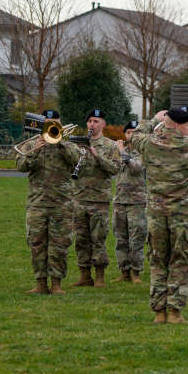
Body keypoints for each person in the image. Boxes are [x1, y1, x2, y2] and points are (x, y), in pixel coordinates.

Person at [126, 105, 188, 323]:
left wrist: (154, 120)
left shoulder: (149, 143)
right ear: (181, 125)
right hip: (181, 214)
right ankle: (175, 312)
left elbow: (135, 134)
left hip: (156, 213)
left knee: (158, 260)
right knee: (180, 261)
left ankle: (159, 312)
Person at [15, 110, 80, 294]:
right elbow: (20, 166)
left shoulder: (68, 145)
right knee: (37, 244)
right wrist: (36, 149)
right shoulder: (32, 144)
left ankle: (57, 283)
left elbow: (76, 160)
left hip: (62, 205)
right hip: (37, 204)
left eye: (55, 123)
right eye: (49, 123)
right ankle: (40, 282)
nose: (52, 126)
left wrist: (61, 144)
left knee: (59, 245)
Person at [71, 108, 121, 288]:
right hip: (79, 197)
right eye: (90, 121)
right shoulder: (76, 144)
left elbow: (115, 169)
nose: (93, 124)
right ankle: (84, 275)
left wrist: (96, 155)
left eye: (97, 121)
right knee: (81, 239)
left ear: (103, 124)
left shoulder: (110, 145)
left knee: (98, 238)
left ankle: (99, 276)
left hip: (99, 199)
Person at [114, 121, 147, 283]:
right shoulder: (119, 151)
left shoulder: (143, 152)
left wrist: (121, 152)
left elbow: (136, 167)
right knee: (121, 238)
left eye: (134, 132)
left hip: (137, 202)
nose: (131, 136)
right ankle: (124, 271)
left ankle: (136, 272)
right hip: (120, 200)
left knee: (137, 238)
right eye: (128, 133)